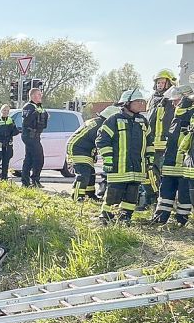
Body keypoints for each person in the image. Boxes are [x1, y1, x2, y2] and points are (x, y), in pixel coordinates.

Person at [96, 88, 153, 224]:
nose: (141, 104)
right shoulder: (114, 120)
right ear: (126, 103)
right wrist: (108, 160)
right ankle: (106, 215)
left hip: (136, 168)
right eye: (138, 101)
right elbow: (102, 141)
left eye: (142, 101)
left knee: (132, 193)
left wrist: (149, 160)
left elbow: (149, 142)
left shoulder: (143, 121)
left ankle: (125, 216)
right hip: (118, 168)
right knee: (114, 192)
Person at [152, 85, 194, 226]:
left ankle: (182, 220)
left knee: (184, 194)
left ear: (184, 99)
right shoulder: (177, 116)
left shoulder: (189, 114)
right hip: (170, 162)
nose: (172, 103)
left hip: (183, 164)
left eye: (176, 101)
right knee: (165, 193)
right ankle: (160, 218)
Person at [140, 69, 179, 209]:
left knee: (166, 175)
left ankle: (165, 202)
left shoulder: (172, 98)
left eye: (163, 82)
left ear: (169, 83)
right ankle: (153, 199)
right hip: (152, 143)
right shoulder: (152, 99)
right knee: (149, 173)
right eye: (158, 82)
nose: (160, 84)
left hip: (167, 145)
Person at [67, 105, 119, 201]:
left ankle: (90, 195)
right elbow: (101, 142)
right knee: (83, 173)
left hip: (82, 148)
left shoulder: (96, 122)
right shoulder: (101, 126)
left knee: (90, 173)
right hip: (79, 149)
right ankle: (77, 196)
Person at [20, 88, 48, 187]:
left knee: (29, 158)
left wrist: (44, 115)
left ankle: (26, 182)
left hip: (36, 136)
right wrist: (36, 113)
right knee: (39, 158)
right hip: (29, 136)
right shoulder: (28, 107)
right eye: (38, 94)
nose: (41, 96)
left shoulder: (39, 107)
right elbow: (26, 122)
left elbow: (43, 125)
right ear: (32, 96)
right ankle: (35, 180)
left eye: (41, 94)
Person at [0, 104, 19, 179]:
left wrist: (12, 126)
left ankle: (4, 178)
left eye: (7, 111)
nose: (6, 112)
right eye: (4, 110)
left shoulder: (11, 121)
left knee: (5, 162)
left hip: (7, 144)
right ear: (1, 111)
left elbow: (15, 132)